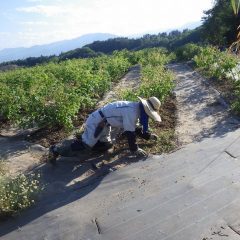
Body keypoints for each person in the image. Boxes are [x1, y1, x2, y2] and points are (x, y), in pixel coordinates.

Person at [48, 96, 162, 164]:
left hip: (105, 124)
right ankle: (56, 149)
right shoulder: (132, 112)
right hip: (96, 121)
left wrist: (148, 136)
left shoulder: (135, 109)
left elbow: (135, 127)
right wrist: (134, 148)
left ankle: (88, 141)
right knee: (86, 146)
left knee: (106, 145)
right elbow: (130, 133)